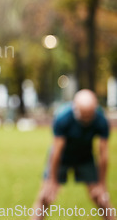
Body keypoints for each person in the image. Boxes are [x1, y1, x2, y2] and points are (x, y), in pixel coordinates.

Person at [32, 89, 115, 220]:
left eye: (89, 115)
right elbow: (56, 151)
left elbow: (103, 154)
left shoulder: (101, 120)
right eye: (83, 116)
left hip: (85, 158)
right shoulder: (63, 118)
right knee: (45, 196)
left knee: (101, 198)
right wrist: (52, 180)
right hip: (62, 158)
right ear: (75, 108)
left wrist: (101, 183)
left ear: (95, 108)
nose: (87, 120)